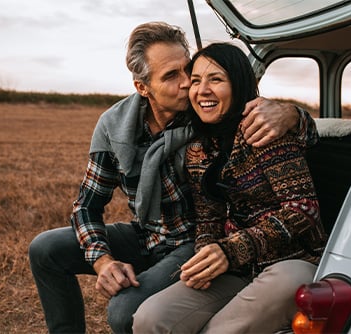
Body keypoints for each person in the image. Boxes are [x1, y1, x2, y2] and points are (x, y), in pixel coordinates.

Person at [28, 23, 316, 334]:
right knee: (45, 248)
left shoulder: (206, 112)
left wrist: (293, 115)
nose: (188, 86)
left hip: (189, 240)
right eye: (172, 76)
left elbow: (265, 123)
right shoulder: (115, 125)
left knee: (124, 311)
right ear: (142, 87)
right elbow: (87, 205)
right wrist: (103, 261)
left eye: (187, 71)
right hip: (148, 232)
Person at [132, 42, 328, 333]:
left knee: (229, 324)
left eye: (216, 79)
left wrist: (231, 250)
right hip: (235, 270)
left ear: (239, 84)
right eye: (196, 81)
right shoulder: (197, 148)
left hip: (291, 263)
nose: (202, 90)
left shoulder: (265, 129)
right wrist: (207, 255)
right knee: (151, 318)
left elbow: (303, 210)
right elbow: (208, 217)